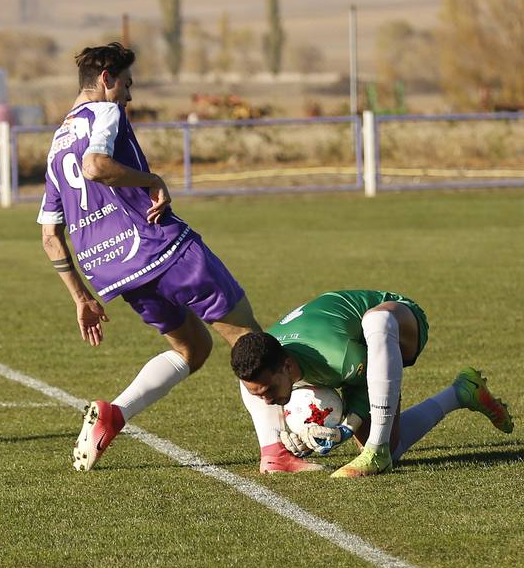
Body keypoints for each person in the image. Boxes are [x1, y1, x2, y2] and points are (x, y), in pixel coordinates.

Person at [37, 42, 319, 475]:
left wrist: (81, 297)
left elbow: (50, 236)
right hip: (161, 249)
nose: (129, 97)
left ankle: (114, 415)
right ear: (108, 78)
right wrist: (154, 179)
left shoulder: (56, 147)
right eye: (127, 85)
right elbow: (95, 165)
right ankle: (276, 453)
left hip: (114, 271)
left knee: (193, 349)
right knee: (248, 341)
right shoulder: (106, 113)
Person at [230, 289, 514, 477]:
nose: (265, 399)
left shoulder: (338, 356)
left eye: (269, 391)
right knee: (394, 445)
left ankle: (376, 453)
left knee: (377, 322)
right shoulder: (268, 357)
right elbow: (262, 384)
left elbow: (364, 380)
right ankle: (461, 392)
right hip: (352, 351)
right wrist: (287, 434)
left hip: (400, 319)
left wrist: (346, 427)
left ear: (288, 366)